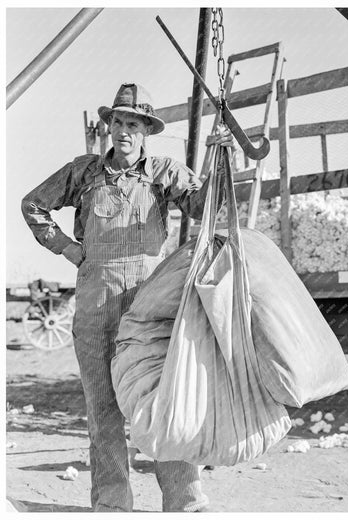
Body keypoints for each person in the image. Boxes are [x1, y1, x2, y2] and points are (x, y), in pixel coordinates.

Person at [21, 82, 234, 512]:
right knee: (103, 406)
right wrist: (65, 246)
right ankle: (113, 502)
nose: (122, 130)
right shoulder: (83, 172)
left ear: (146, 131)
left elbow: (209, 207)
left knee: (161, 397)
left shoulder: (162, 171)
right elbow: (33, 205)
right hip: (95, 298)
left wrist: (221, 159)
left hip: (148, 301)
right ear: (109, 127)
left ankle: (184, 498)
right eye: (117, 121)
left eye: (132, 124)